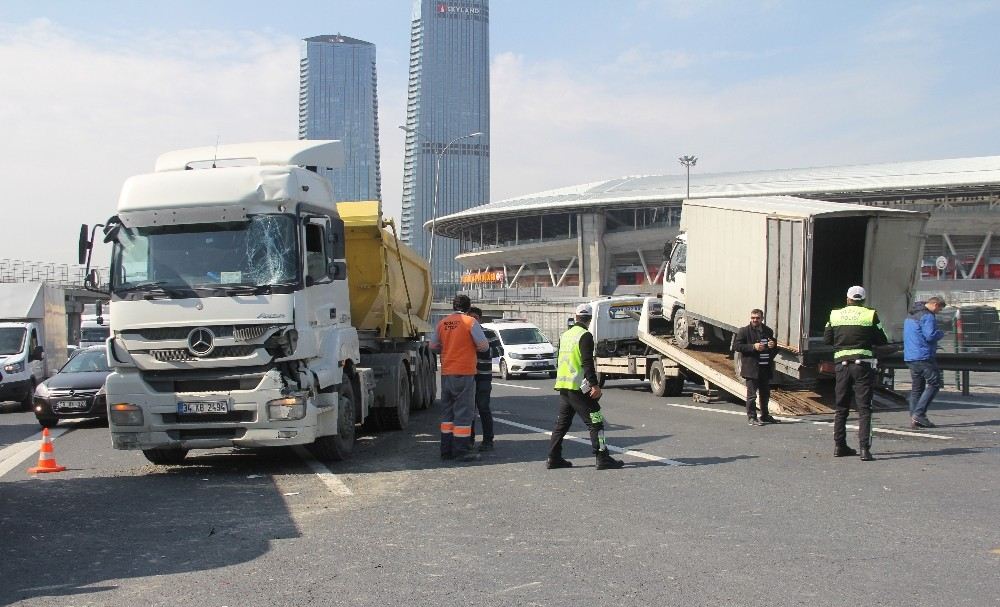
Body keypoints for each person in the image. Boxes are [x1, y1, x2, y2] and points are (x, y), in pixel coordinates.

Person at [547, 303, 624, 470]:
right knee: (596, 422)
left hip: (564, 386)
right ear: (589, 319)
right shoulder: (585, 335)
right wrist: (594, 384)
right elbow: (587, 361)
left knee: (562, 425)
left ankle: (553, 458)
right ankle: (602, 457)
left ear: (575, 317)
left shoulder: (565, 335)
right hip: (579, 386)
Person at [823, 286, 888, 462]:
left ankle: (839, 446)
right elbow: (882, 339)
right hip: (862, 365)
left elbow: (827, 339)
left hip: (841, 365)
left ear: (848, 299)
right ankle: (864, 449)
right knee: (864, 408)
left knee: (841, 407)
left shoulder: (834, 315)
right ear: (863, 300)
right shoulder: (870, 314)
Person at [430, 294, 489, 462]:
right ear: (469, 308)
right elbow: (484, 346)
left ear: (453, 307)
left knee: (447, 414)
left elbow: (433, 346)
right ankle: (461, 451)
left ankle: (446, 451)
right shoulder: (470, 322)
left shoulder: (442, 323)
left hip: (447, 372)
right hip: (465, 372)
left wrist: (447, 349)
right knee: (463, 412)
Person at [904, 296, 946, 429]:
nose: (938, 312)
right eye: (939, 308)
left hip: (911, 356)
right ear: (935, 304)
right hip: (923, 356)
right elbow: (930, 335)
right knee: (935, 383)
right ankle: (919, 414)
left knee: (917, 388)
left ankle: (914, 418)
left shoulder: (911, 314)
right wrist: (940, 333)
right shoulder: (927, 316)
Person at [733, 308, 779, 426]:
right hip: (751, 369)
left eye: (757, 318)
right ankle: (752, 417)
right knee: (752, 395)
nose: (755, 320)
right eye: (753, 318)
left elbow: (774, 347)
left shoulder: (768, 331)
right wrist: (753, 347)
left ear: (762, 319)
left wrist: (772, 345)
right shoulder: (744, 331)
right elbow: (737, 346)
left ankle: (765, 415)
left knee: (765, 394)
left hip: (765, 367)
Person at [467, 306, 495, 451]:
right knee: (469, 409)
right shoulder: (465, 333)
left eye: (475, 318)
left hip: (484, 376)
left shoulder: (489, 333)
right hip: (469, 376)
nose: (473, 320)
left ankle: (488, 440)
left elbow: (498, 350)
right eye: (470, 318)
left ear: (480, 319)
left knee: (483, 408)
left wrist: (484, 349)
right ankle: (469, 439)